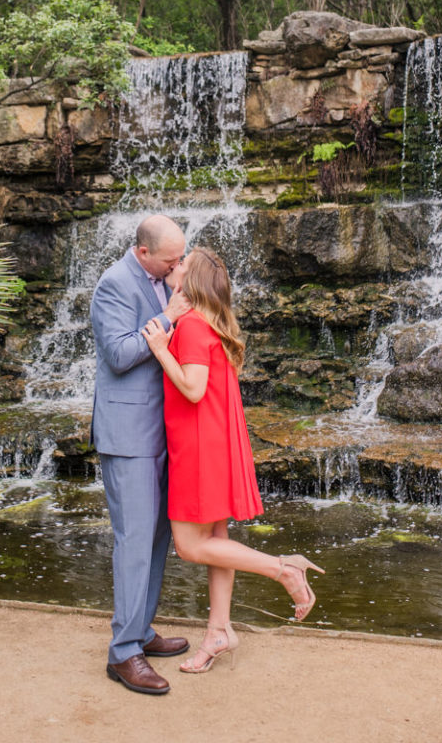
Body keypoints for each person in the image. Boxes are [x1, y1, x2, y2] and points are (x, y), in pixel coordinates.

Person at [141, 245, 325, 674]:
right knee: (217, 542)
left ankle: (284, 570)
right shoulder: (212, 325)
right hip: (218, 445)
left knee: (190, 547)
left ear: (194, 279)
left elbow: (192, 389)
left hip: (198, 449)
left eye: (182, 262)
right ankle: (218, 632)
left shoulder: (187, 327)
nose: (175, 264)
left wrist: (158, 346)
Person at [90, 214, 192, 696]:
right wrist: (170, 317)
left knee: (156, 537)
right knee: (133, 541)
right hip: (128, 434)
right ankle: (123, 653)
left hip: (164, 431)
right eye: (173, 258)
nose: (180, 265)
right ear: (144, 252)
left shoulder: (161, 275)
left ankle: (141, 629)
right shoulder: (113, 284)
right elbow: (119, 353)